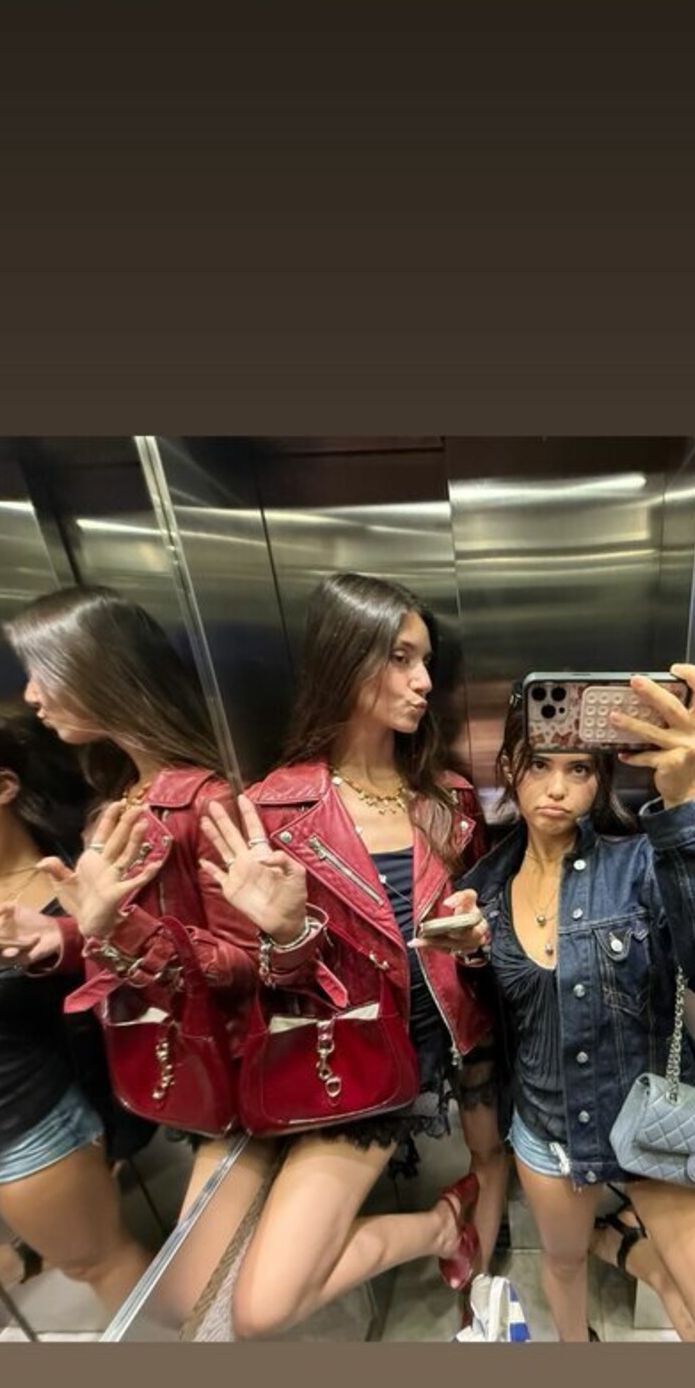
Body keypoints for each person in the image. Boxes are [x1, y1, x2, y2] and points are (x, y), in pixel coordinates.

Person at [198, 571, 510, 1340]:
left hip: (460, 1036)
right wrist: (285, 935)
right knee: (263, 1309)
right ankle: (440, 1229)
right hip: (355, 1059)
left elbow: (485, 929)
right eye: (400, 658)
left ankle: (481, 1305)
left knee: (491, 1160)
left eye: (426, 660)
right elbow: (242, 984)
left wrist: (477, 942)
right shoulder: (273, 811)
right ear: (343, 660)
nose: (424, 681)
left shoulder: (448, 799)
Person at [457, 664, 695, 1343]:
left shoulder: (640, 864)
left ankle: (627, 1247)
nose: (557, 788)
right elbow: (500, 1023)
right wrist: (468, 957)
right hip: (545, 1132)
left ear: (602, 778)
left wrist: (687, 802)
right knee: (562, 1264)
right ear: (510, 767)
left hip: (653, 1128)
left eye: (579, 769)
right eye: (539, 764)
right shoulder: (484, 888)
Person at [0, 588, 272, 1324]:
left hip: (239, 1081)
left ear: (100, 671)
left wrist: (115, 931)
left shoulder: (199, 800)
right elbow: (138, 936)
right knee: (210, 1301)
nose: (31, 695)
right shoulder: (125, 794)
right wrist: (60, 938)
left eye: (43, 671)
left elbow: (248, 963)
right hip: (179, 1074)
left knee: (201, 1301)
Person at [0, 710, 153, 1316]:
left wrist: (71, 937)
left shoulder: (67, 882)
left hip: (22, 1118)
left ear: (3, 786)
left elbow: (139, 981)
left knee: (98, 1263)